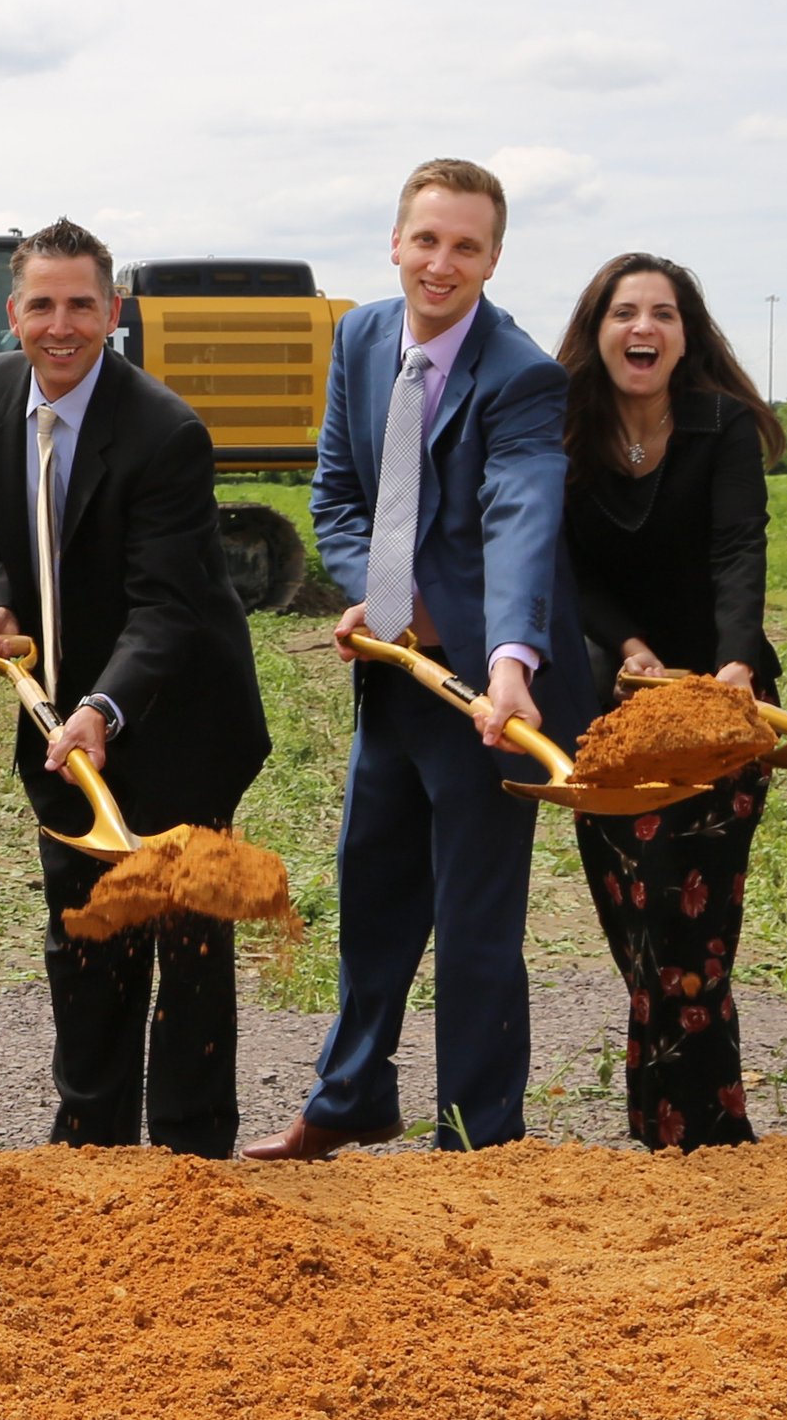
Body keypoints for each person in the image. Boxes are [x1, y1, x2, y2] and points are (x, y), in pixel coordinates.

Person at [249, 158, 591, 1160]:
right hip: (393, 678)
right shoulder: (357, 336)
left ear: (492, 258)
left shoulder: (520, 374)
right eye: (427, 241)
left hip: (491, 690)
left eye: (466, 247)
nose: (442, 265)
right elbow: (337, 495)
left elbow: (522, 516)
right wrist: (383, 607)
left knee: (475, 926)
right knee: (371, 891)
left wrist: (507, 654)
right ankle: (351, 1097)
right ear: (395, 242)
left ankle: (478, 1138)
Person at [0, 220, 269, 1156]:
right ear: (14, 313)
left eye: (81, 304)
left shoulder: (166, 431)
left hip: (178, 717)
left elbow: (167, 609)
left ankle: (192, 1153)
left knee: (187, 936)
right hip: (59, 719)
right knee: (85, 932)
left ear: (113, 312)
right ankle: (89, 1146)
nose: (61, 324)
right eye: (41, 304)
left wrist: (101, 707)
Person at [554, 254, 784, 1151]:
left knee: (693, 932)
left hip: (722, 715)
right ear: (598, 329)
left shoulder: (720, 428)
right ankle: (667, 1130)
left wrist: (732, 667)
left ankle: (702, 1139)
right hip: (612, 715)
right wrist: (630, 649)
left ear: (687, 336)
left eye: (663, 313)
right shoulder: (565, 430)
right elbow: (563, 567)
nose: (642, 328)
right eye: (624, 312)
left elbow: (738, 549)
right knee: (638, 926)